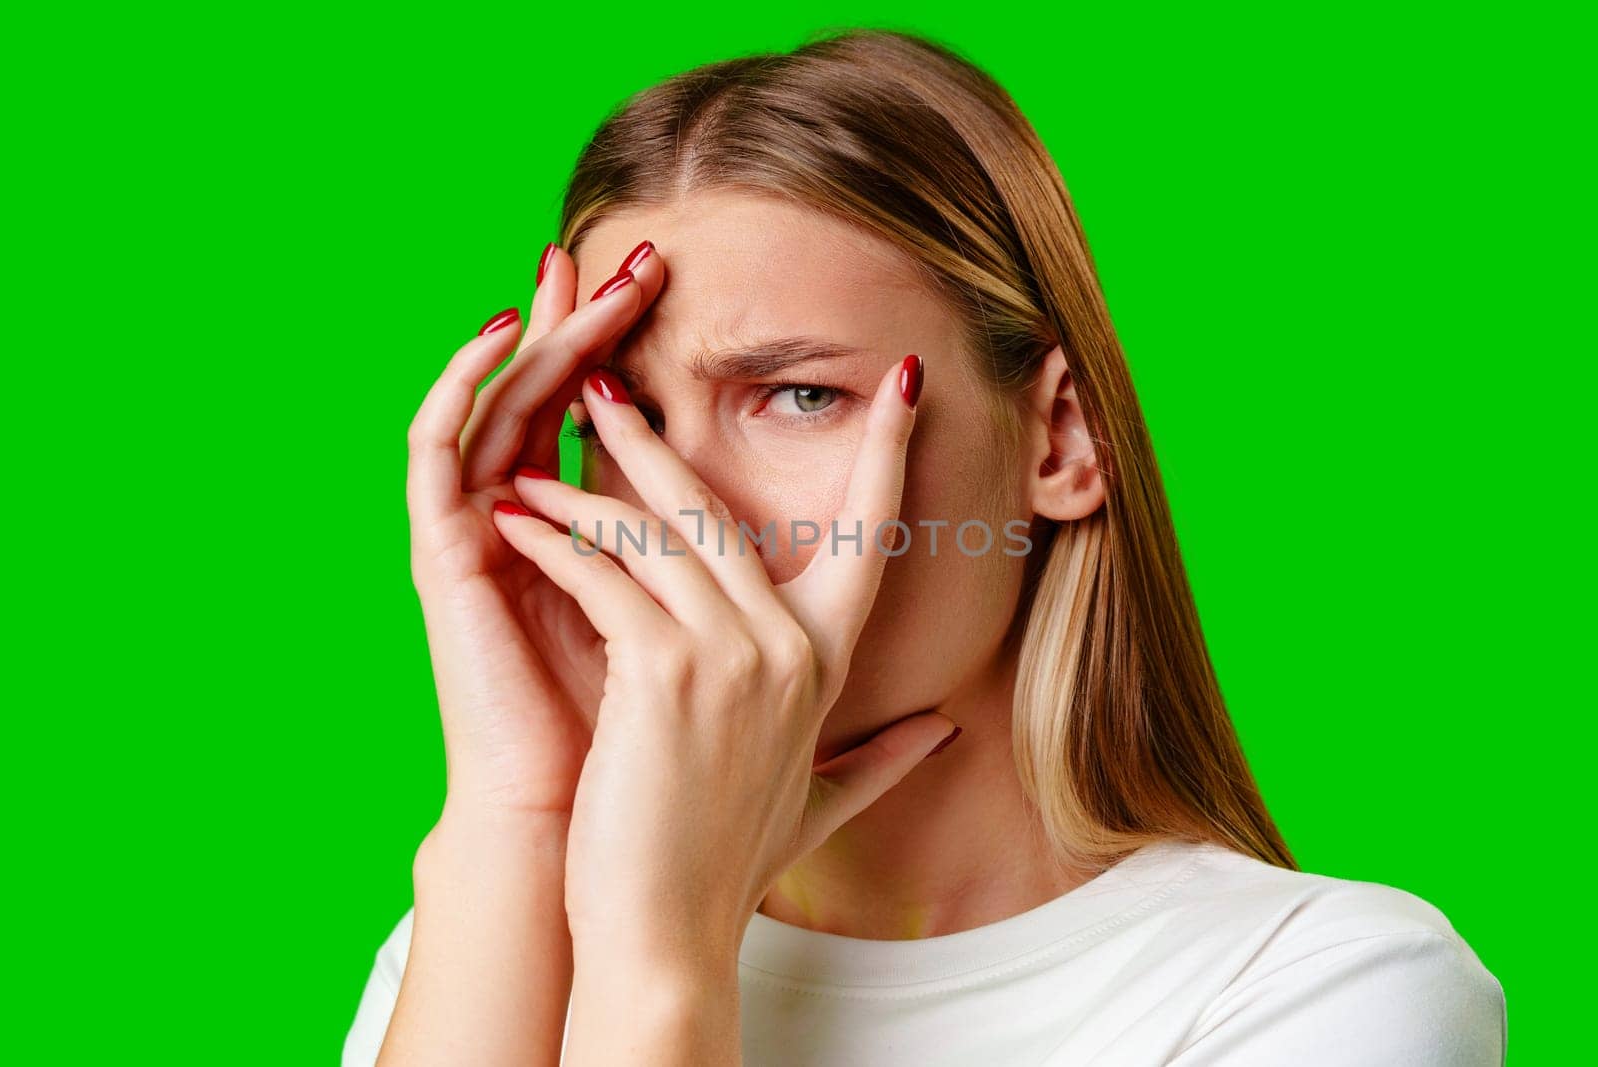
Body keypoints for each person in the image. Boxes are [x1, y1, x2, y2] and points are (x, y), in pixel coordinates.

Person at [344, 27, 1505, 1066]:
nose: (679, 511)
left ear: (1057, 436)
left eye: (799, 396)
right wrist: (521, 810)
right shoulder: (487, 937)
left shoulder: (1327, 989)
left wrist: (663, 959)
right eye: (622, 420)